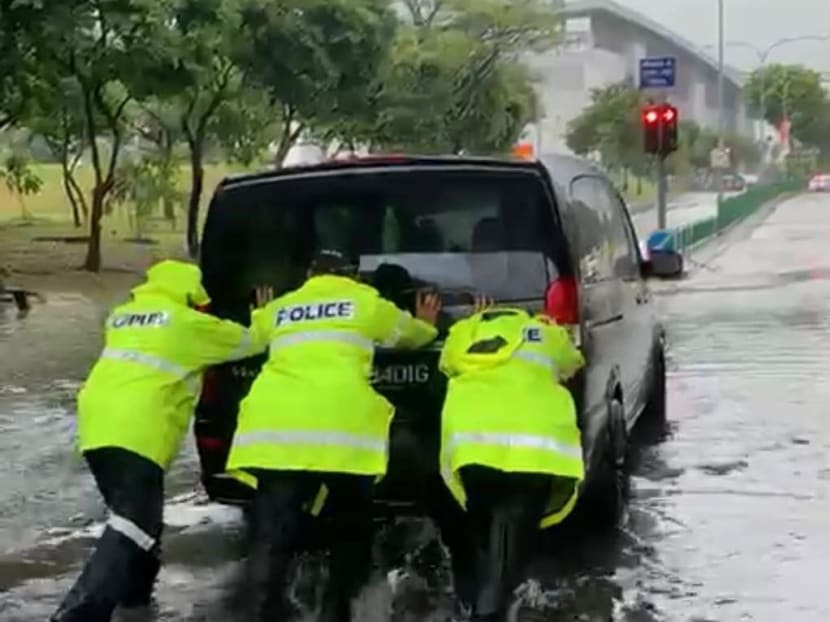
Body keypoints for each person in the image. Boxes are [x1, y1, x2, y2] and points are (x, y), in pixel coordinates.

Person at [224, 250, 442, 622]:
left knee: (273, 532)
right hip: (342, 433)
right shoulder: (364, 302)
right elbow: (410, 338)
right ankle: (336, 607)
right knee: (349, 525)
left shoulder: (284, 306)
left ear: (310, 274)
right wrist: (427, 323)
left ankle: (264, 608)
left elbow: (254, 338)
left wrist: (261, 311)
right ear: (353, 276)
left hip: (276, 430)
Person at [51, 260, 268, 622]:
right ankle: (79, 613)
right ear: (190, 297)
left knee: (136, 522)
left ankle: (135, 601)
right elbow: (253, 341)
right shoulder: (187, 323)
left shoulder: (122, 316)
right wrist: (261, 311)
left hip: (96, 426)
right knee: (135, 522)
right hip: (139, 428)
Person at [437, 299, 586, 622]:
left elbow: (446, 364)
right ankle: (492, 610)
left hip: (474, 449)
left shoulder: (465, 331)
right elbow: (573, 363)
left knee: (487, 540)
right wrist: (552, 330)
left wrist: (472, 322)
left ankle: (483, 603)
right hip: (534, 453)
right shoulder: (544, 332)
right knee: (510, 550)